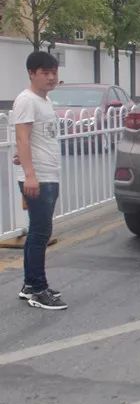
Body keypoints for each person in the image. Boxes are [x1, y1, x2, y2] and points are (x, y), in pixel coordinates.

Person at [12, 51, 67, 310]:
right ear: (31, 73)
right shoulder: (27, 100)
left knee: (39, 231)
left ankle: (29, 285)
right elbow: (22, 137)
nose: (51, 77)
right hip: (39, 178)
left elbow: (33, 139)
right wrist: (30, 175)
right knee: (40, 233)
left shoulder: (45, 100)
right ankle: (37, 288)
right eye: (45, 73)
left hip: (48, 174)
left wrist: (21, 157)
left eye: (54, 72)